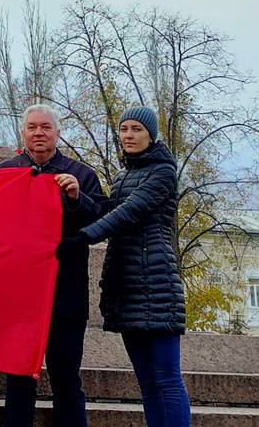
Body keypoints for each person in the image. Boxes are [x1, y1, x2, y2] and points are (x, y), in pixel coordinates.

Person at [70, 107, 191, 427]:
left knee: (166, 379)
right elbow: (107, 209)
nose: (128, 136)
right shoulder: (124, 175)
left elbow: (129, 213)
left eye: (136, 129)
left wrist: (84, 238)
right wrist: (75, 197)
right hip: (127, 285)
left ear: (151, 135)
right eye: (124, 130)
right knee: (148, 383)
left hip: (157, 283)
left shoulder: (163, 172)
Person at [0, 104, 107, 427]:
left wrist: (77, 199)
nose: (39, 133)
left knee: (66, 380)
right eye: (32, 127)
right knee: (18, 382)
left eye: (46, 128)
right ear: (23, 133)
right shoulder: (5, 172)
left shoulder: (82, 174)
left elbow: (100, 222)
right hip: (19, 297)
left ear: (58, 133)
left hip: (66, 296)